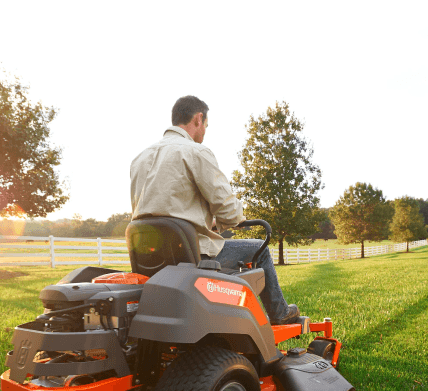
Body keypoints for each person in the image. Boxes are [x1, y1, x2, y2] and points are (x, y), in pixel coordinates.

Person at [129, 95, 300, 325]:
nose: (204, 132)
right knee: (259, 248)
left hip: (151, 259)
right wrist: (235, 216)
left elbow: (161, 212)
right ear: (198, 118)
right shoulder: (196, 152)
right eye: (206, 126)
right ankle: (279, 313)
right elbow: (229, 212)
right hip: (193, 257)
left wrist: (207, 222)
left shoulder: (140, 159)